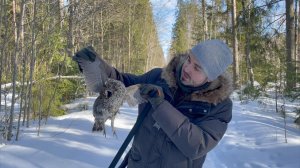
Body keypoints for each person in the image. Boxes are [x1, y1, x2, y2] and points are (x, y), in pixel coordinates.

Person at [75, 39, 233, 168]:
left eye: (197, 68)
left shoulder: (220, 106)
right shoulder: (158, 77)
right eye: (189, 59)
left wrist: (160, 105)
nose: (187, 68)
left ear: (212, 77)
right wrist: (96, 65)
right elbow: (121, 84)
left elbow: (197, 145)